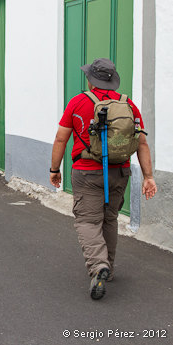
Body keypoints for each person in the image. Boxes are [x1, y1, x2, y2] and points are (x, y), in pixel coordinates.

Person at [50, 58, 157, 300]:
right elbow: (141, 142)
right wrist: (148, 176)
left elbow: (60, 139)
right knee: (110, 219)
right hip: (119, 172)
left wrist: (54, 169)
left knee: (88, 221)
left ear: (90, 79)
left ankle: (98, 267)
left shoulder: (78, 102)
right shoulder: (128, 104)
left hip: (87, 171)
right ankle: (108, 265)